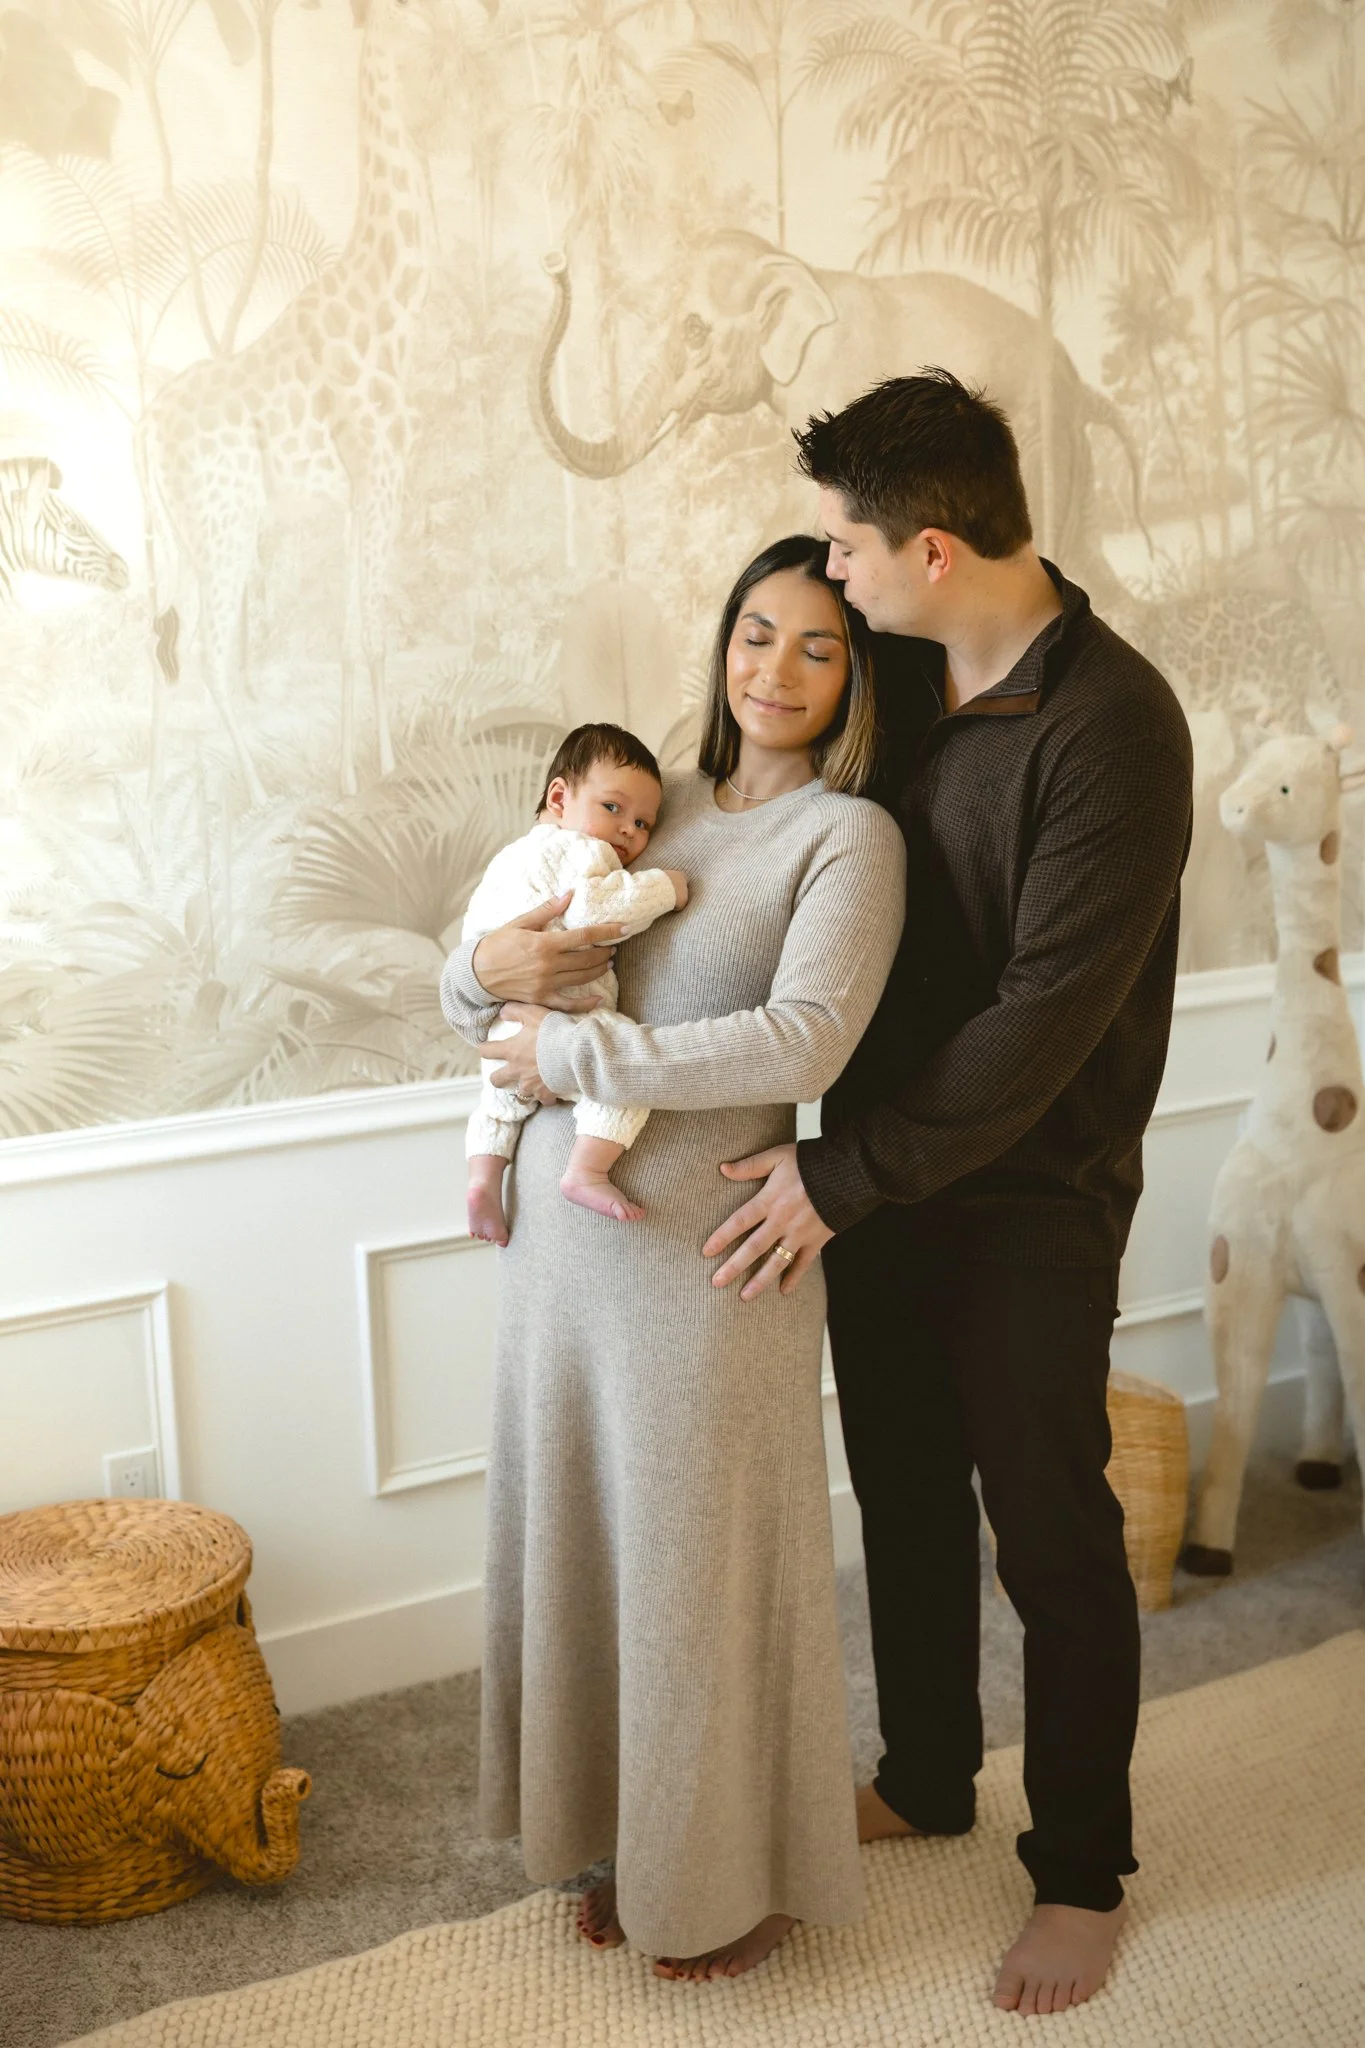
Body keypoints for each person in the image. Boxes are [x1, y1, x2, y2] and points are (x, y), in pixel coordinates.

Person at [701, 371, 1194, 2016]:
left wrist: (838, 1176)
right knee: (903, 1497)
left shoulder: (1115, 725)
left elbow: (1039, 1025)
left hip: (1030, 1194)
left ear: (930, 545)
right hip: (879, 1176)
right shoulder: (897, 679)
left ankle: (1080, 1871)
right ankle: (926, 1774)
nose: (825, 579)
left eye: (846, 549)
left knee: (1051, 1535)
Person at [439, 534, 905, 1981]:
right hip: (564, 1263)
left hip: (713, 1262)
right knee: (590, 1555)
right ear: (723, 645)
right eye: (755, 634)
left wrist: (570, 1042)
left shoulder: (849, 837)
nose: (775, 669)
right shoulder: (648, 804)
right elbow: (488, 972)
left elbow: (802, 1040)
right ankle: (628, 1843)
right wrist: (475, 980)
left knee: (702, 1579)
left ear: (853, 675)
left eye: (816, 646)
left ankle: (721, 1881)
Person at [461, 722, 689, 1241]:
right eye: (614, 808)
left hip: (504, 1022)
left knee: (496, 1104)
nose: (629, 831)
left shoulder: (509, 857)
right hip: (569, 1012)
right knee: (622, 1082)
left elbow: (471, 940)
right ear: (560, 798)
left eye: (644, 823)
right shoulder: (583, 851)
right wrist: (665, 888)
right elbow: (599, 908)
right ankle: (586, 1170)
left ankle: (482, 1180)